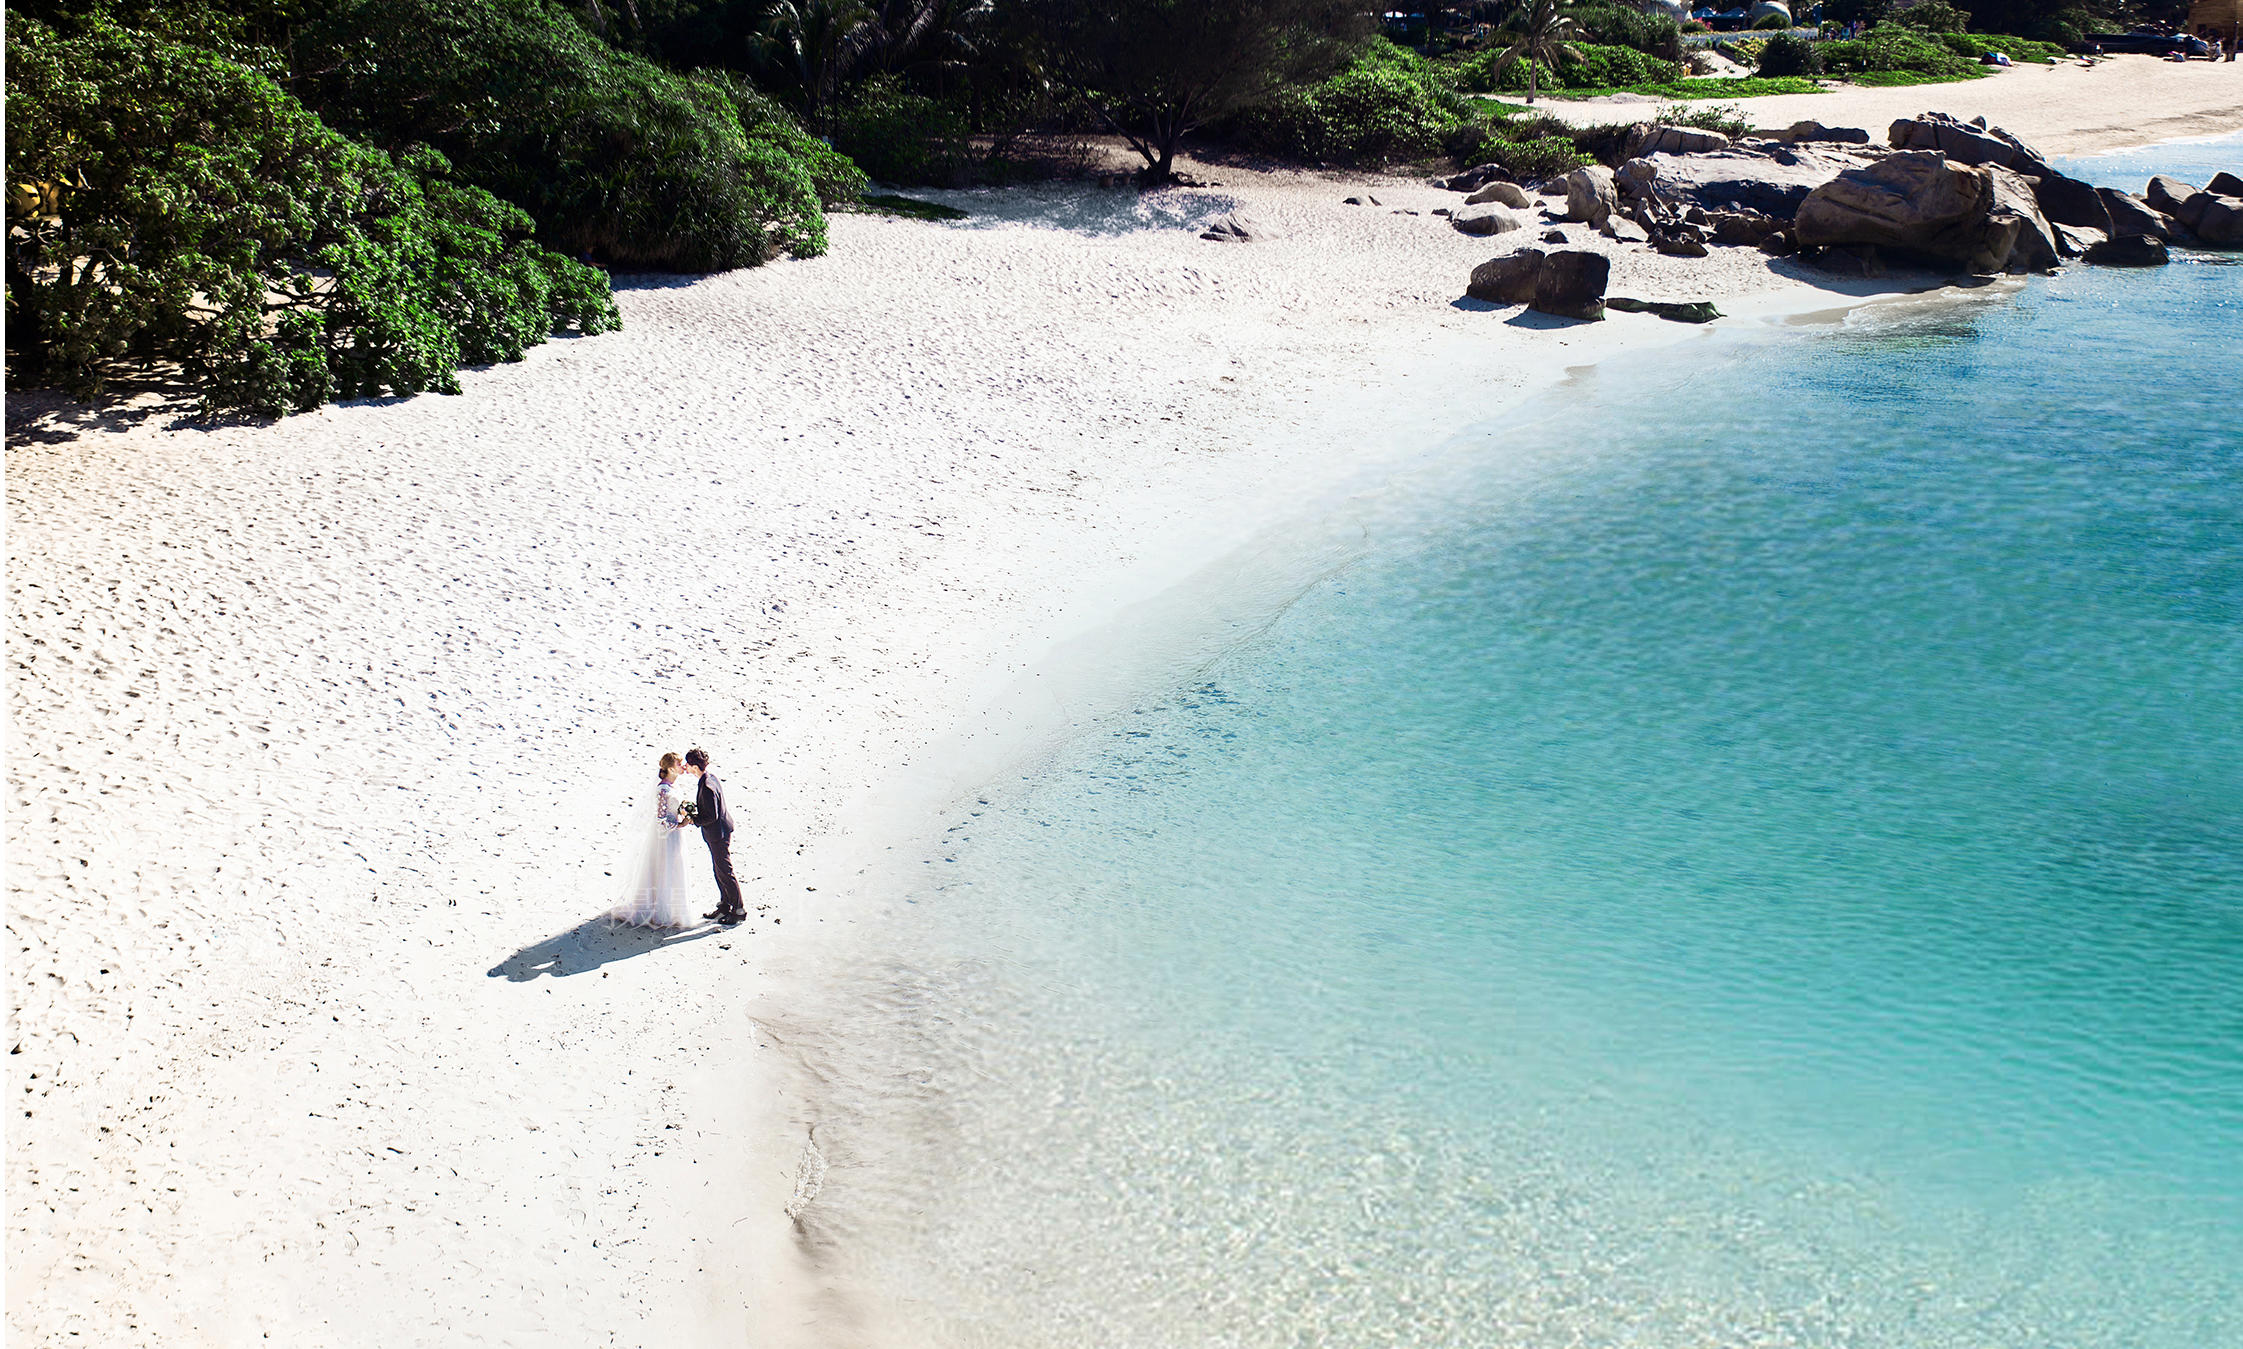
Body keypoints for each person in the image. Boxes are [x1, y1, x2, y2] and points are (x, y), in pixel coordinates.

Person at [611, 752, 702, 928]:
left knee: (675, 867)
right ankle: (660, 910)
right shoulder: (663, 790)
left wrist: (684, 814)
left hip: (674, 834)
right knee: (665, 868)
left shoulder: (674, 786)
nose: (683, 766)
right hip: (665, 837)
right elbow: (661, 820)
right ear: (669, 768)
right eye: (679, 763)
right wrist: (680, 824)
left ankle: (673, 908)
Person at [685, 747, 746, 924]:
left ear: (695, 766)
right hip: (720, 831)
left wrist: (693, 819)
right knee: (719, 870)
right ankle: (724, 907)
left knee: (725, 871)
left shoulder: (707, 786)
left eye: (688, 765)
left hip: (718, 834)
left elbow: (712, 816)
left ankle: (738, 910)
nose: (686, 768)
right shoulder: (709, 778)